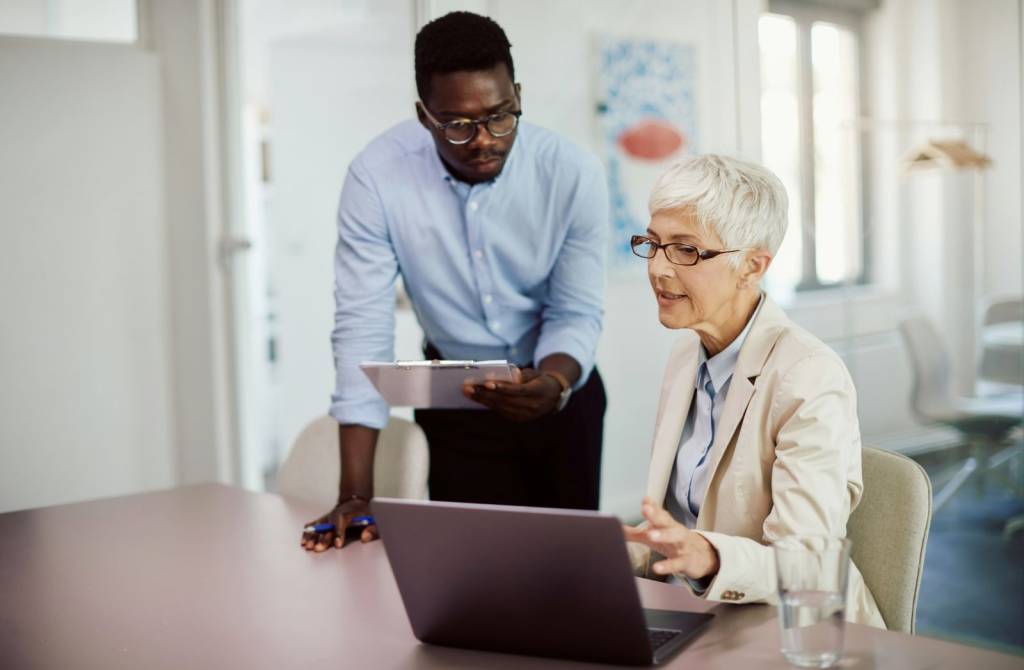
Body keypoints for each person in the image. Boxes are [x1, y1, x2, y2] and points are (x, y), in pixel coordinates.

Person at [301, 11, 608, 553]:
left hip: (560, 394)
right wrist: (355, 493)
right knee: (470, 572)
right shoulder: (376, 177)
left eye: (500, 116)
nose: (483, 141)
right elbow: (361, 330)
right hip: (456, 400)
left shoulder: (571, 172)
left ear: (517, 94)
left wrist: (554, 384)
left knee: (567, 573)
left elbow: (575, 311)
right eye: (457, 125)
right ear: (424, 115)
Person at [621, 155, 885, 627]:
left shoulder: (809, 376)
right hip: (696, 616)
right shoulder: (686, 355)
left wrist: (706, 557)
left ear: (753, 266)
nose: (659, 269)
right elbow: (680, 526)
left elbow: (809, 566)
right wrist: (625, 549)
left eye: (686, 250)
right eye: (654, 244)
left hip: (790, 630)